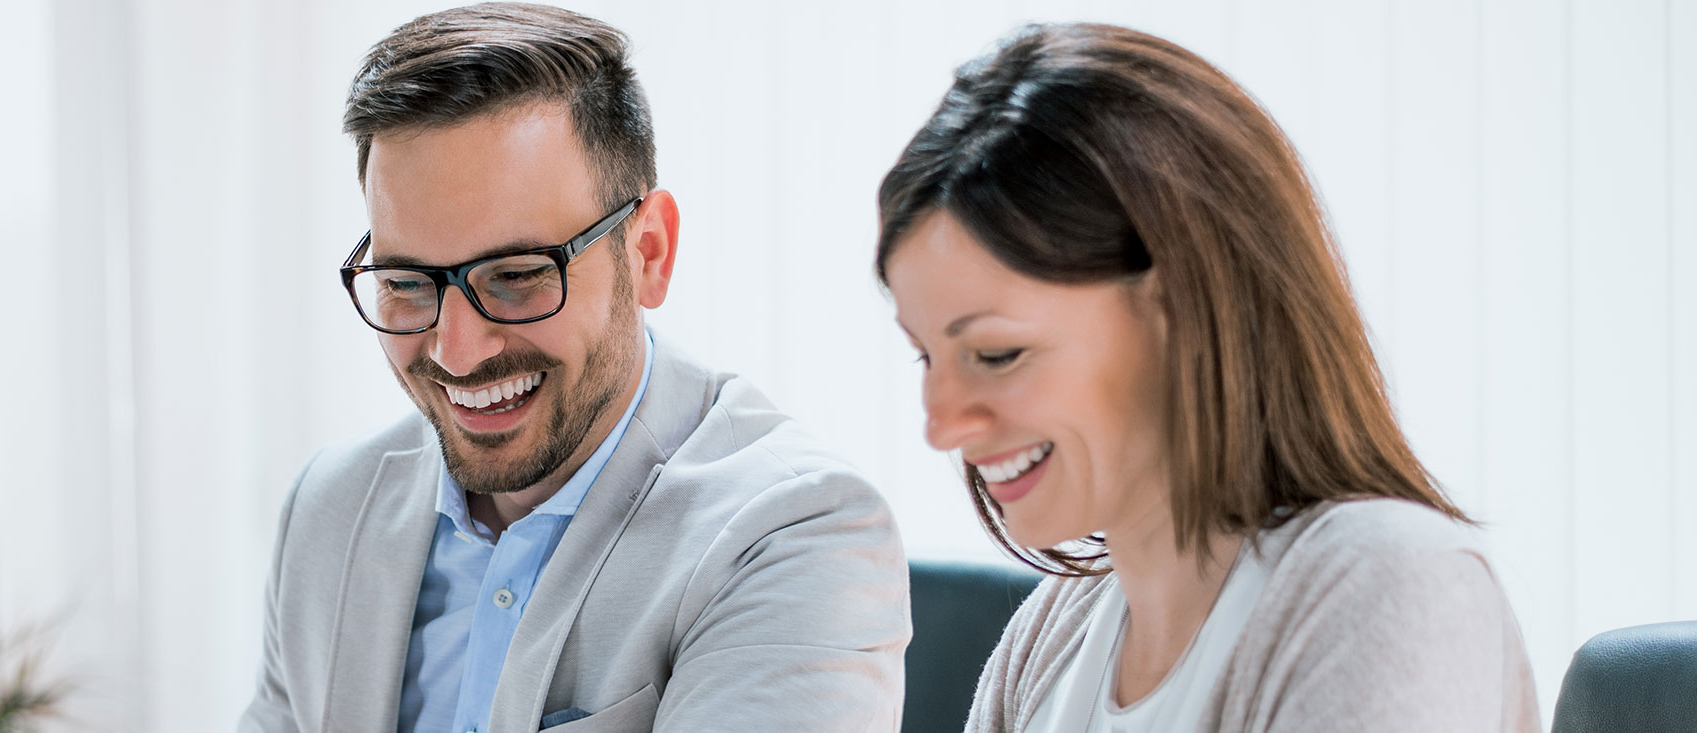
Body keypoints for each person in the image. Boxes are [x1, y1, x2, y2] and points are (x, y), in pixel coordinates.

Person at [239, 4, 909, 732]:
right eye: (405, 283)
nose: (455, 351)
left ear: (647, 251)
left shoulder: (794, 534)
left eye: (516, 275)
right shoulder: (330, 507)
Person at [875, 23, 1538, 732]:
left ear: (1182, 308)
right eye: (925, 356)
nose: (941, 423)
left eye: (997, 353)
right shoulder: (1052, 636)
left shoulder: (1392, 587)